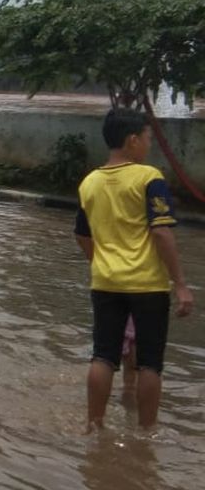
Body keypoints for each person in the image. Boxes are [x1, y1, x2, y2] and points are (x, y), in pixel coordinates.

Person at [73, 106, 193, 431]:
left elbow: (82, 235)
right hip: (147, 285)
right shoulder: (149, 177)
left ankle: (93, 424)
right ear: (132, 140)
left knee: (103, 357)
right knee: (150, 364)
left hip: (105, 282)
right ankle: (147, 431)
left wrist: (101, 263)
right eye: (147, 137)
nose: (149, 143)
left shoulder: (90, 183)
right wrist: (180, 283)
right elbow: (161, 232)